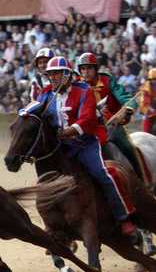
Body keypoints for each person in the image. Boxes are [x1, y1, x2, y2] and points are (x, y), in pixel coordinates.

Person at [22, 57, 137, 237]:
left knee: (103, 173)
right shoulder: (47, 93)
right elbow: (34, 107)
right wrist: (23, 114)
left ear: (67, 75)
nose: (52, 77)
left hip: (86, 144)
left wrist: (69, 131)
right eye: (50, 74)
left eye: (56, 74)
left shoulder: (83, 91)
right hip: (63, 147)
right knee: (46, 178)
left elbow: (87, 118)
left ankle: (124, 216)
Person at [76, 52, 145, 181]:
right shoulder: (77, 85)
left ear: (96, 69)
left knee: (127, 147)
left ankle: (142, 179)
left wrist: (127, 109)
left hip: (111, 125)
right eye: (83, 69)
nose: (85, 72)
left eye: (89, 68)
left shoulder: (107, 80)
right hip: (87, 127)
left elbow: (125, 97)